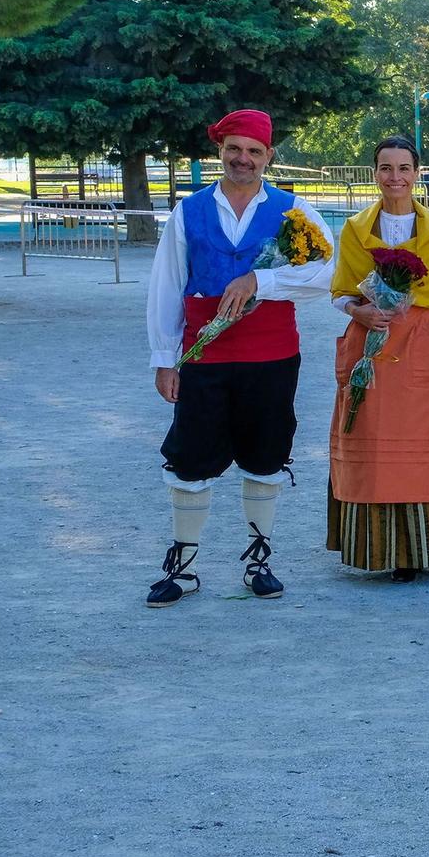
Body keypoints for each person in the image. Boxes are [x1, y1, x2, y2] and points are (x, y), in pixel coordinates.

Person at [145, 108, 336, 608]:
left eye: (254, 151)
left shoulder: (296, 212)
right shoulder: (189, 212)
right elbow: (166, 287)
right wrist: (166, 359)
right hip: (204, 355)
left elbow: (326, 274)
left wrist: (262, 280)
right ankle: (183, 567)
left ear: (269, 156)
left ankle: (259, 561)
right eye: (234, 149)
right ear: (221, 152)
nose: (243, 159)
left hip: (271, 355)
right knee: (190, 459)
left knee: (265, 455)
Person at [326, 136, 429, 583]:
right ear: (374, 173)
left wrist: (417, 321)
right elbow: (340, 293)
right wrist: (362, 310)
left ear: (417, 174)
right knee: (377, 446)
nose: (394, 177)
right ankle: (388, 551)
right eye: (385, 168)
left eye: (403, 168)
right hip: (371, 344)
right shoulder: (356, 231)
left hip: (422, 351)